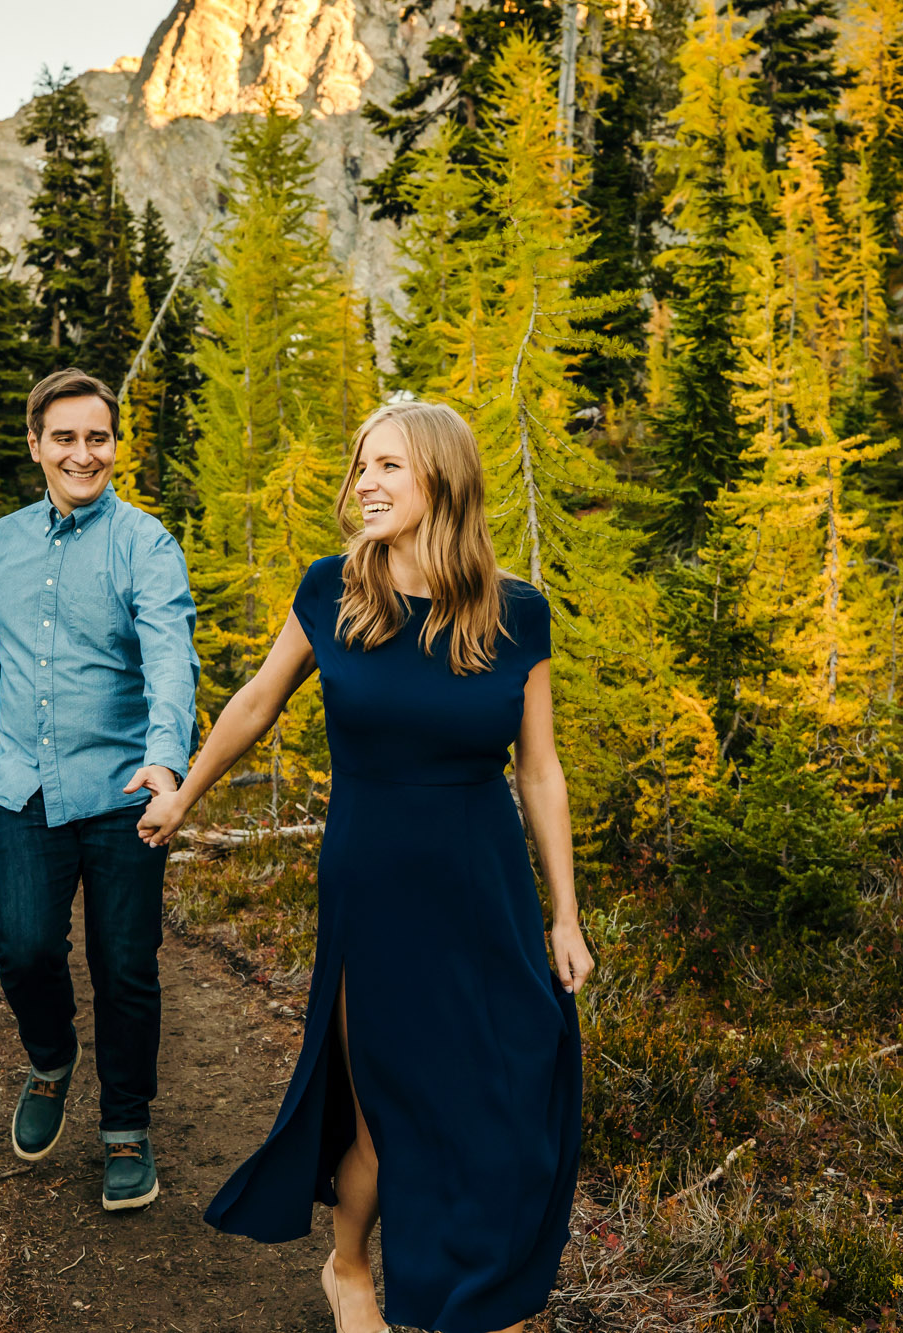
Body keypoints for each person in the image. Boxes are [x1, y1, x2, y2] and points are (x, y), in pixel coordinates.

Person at [137, 400, 594, 1333]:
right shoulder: (332, 591)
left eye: (389, 466)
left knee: (509, 1092)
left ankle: (488, 1294)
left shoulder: (514, 611)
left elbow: (539, 769)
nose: (367, 484)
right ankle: (348, 1269)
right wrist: (183, 795)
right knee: (388, 1099)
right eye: (361, 466)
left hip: (485, 887)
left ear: (444, 480)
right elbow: (258, 701)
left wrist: (565, 914)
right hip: (373, 886)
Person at [0, 367, 199, 1212]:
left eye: (97, 437)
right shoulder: (2, 543)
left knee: (125, 967)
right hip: (24, 789)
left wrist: (168, 761)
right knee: (22, 948)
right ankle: (52, 1059)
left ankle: (126, 1128)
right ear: (36, 445)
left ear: (114, 446)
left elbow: (171, 660)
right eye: (65, 437)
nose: (82, 453)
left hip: (124, 794)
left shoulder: (147, 545)